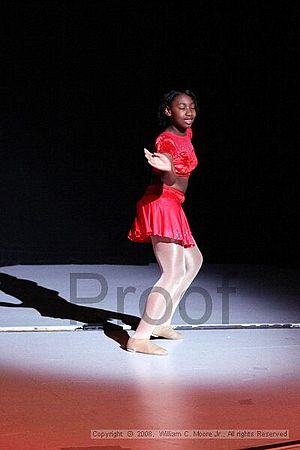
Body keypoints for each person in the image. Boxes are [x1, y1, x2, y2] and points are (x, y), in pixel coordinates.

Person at [127, 89, 203, 355]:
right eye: (182, 107)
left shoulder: (186, 134)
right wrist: (166, 167)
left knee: (194, 261)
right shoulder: (166, 141)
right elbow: (169, 178)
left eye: (192, 106)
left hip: (173, 203)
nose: (189, 112)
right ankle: (139, 338)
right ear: (168, 111)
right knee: (172, 272)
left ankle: (161, 322)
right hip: (162, 202)